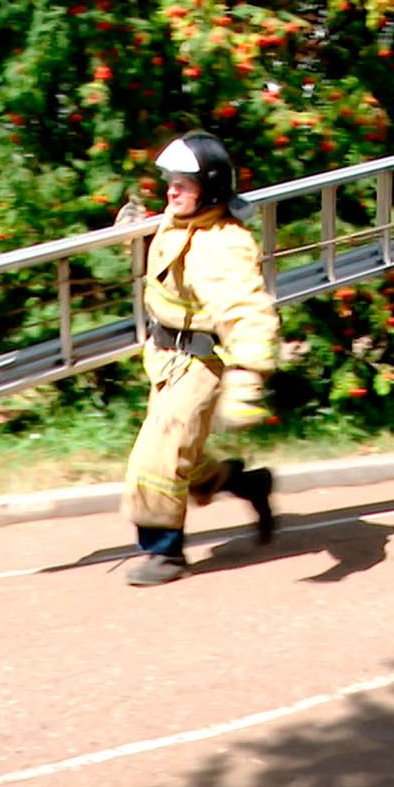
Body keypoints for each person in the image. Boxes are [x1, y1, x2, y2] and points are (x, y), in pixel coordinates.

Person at [115, 131, 280, 586]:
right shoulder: (178, 220)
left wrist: (247, 378)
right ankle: (247, 483)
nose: (171, 191)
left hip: (200, 364)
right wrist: (127, 231)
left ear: (209, 188)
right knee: (182, 454)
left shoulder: (222, 243)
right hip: (165, 357)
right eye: (169, 181)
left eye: (183, 184)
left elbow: (248, 310)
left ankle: (164, 553)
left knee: (158, 455)